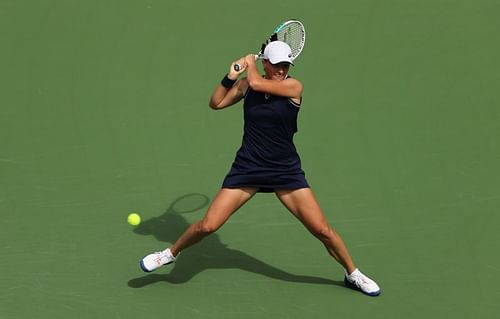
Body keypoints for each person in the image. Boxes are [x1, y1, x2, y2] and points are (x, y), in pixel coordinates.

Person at [140, 41, 381, 296]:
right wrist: (230, 77)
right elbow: (216, 103)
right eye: (276, 65)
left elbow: (256, 82)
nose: (281, 70)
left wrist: (249, 62)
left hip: (284, 170)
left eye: (285, 65)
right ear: (267, 63)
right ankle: (169, 254)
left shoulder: (293, 86)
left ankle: (353, 274)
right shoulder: (246, 85)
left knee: (322, 229)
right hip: (248, 167)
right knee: (208, 226)